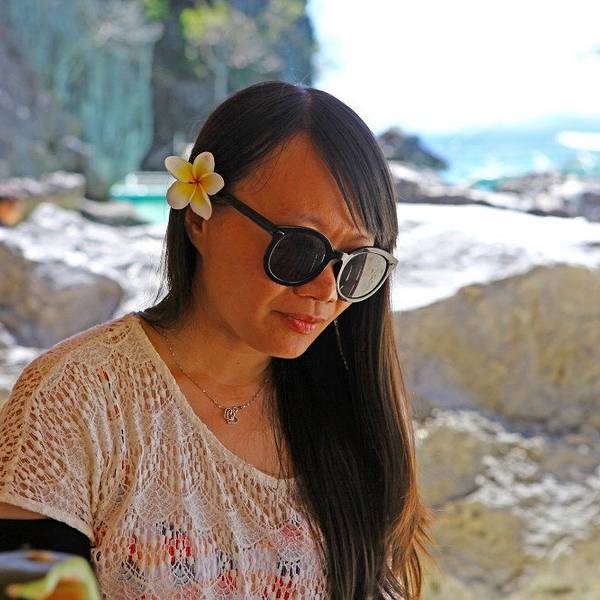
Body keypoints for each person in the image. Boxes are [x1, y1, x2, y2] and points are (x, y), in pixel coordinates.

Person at [0, 80, 434, 599]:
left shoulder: (352, 409)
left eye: (356, 264)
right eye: (299, 248)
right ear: (199, 220)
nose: (325, 290)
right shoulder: (77, 400)